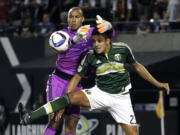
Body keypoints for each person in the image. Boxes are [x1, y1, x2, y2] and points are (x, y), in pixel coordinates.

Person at [19, 28, 170, 135]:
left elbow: (138, 67)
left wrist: (158, 84)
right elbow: (76, 78)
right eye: (94, 41)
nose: (96, 44)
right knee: (69, 98)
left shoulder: (123, 50)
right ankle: (29, 117)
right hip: (100, 93)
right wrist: (64, 103)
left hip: (122, 99)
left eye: (99, 41)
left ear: (108, 41)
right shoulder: (90, 56)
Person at [22, 7, 113, 135]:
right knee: (54, 120)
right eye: (71, 17)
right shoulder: (61, 35)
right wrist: (75, 39)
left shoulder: (90, 31)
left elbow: (109, 35)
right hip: (58, 81)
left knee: (71, 124)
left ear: (82, 19)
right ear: (67, 19)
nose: (73, 20)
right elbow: (62, 47)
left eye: (77, 17)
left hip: (76, 83)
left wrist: (107, 25)